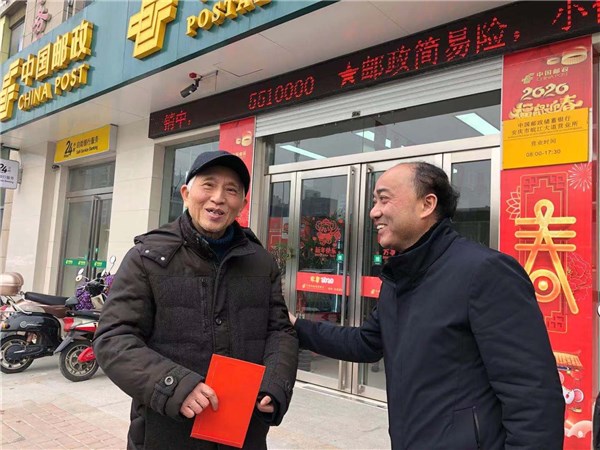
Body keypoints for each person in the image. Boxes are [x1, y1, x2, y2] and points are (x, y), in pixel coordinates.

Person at [290, 162, 564, 449]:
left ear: (427, 204)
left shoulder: (484, 272)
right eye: (374, 201)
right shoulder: (398, 278)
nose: (374, 212)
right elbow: (366, 343)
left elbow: (533, 396)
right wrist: (297, 326)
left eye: (384, 199)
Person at [94, 150, 298, 450]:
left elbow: (280, 330)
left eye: (231, 190)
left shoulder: (260, 261)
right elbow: (113, 339)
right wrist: (173, 385)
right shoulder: (146, 258)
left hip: (243, 431)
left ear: (242, 204)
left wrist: (276, 383)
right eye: (208, 185)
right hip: (166, 432)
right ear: (186, 194)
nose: (218, 198)